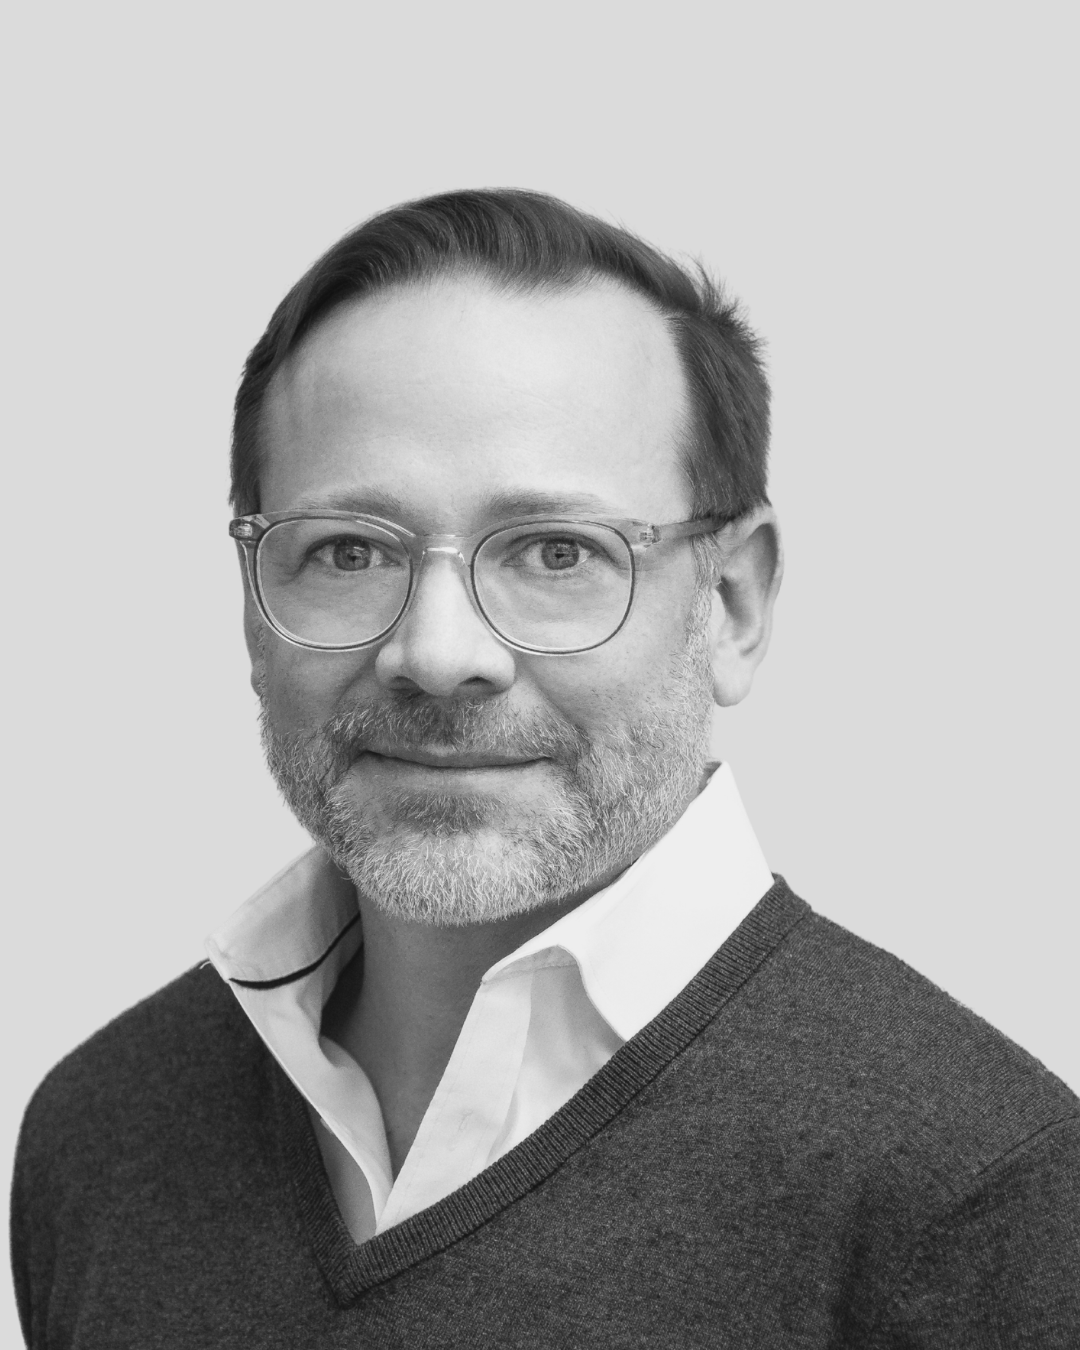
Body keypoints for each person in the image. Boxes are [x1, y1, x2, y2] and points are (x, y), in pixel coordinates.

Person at [11, 189, 1080, 1348]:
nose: (438, 655)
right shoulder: (103, 1131)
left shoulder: (977, 1188)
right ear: (252, 603)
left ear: (731, 604)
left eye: (557, 553)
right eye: (350, 551)